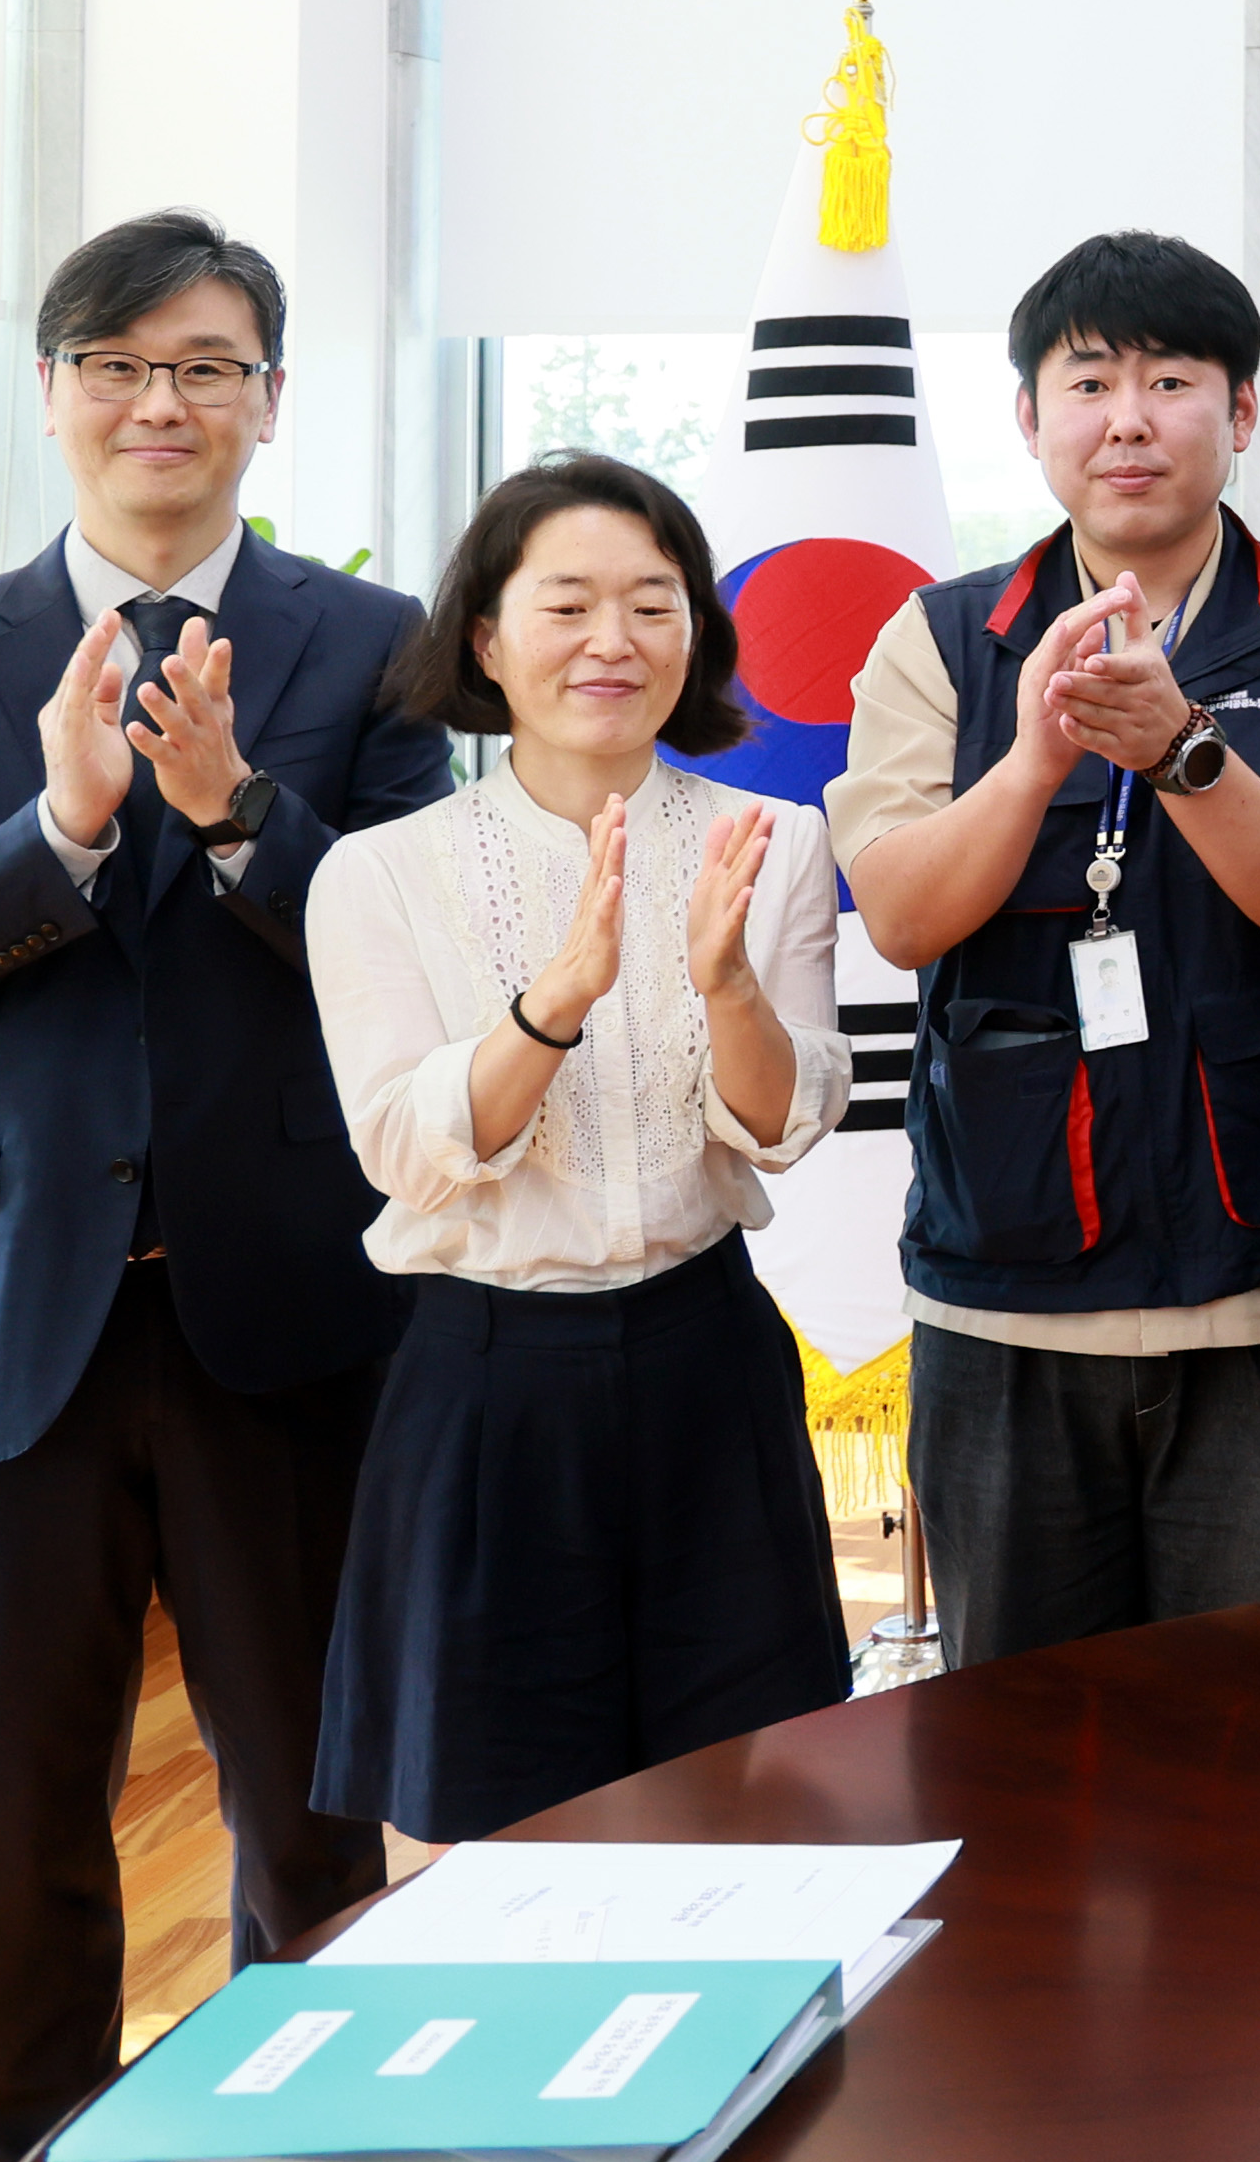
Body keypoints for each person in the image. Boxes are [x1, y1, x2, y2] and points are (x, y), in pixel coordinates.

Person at [0, 210, 454, 2162]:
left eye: (206, 364)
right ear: (58, 389)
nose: (161, 400)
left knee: (318, 1818)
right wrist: (61, 821)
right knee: (23, 1820)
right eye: (118, 362)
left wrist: (241, 809)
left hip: (295, 1325)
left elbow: (413, 949)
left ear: (267, 398)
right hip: (7, 1339)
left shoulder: (371, 644)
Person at [830, 231, 1260, 1665]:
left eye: (1172, 379)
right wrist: (1032, 759)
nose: (1130, 417)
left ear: (1243, 413)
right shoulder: (940, 637)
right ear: (1030, 419)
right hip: (1005, 1291)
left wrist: (1185, 754)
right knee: (1018, 1751)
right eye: (1088, 381)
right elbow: (901, 913)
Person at [304, 456, 858, 1837]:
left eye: (652, 606)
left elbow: (782, 1127)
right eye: (568, 606)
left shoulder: (774, 843)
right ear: (486, 641)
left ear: (695, 636)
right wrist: (553, 1002)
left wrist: (724, 984)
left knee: (752, 1813)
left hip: (706, 1364)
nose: (613, 641)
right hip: (486, 1385)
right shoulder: (377, 872)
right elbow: (407, 1151)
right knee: (478, 1839)